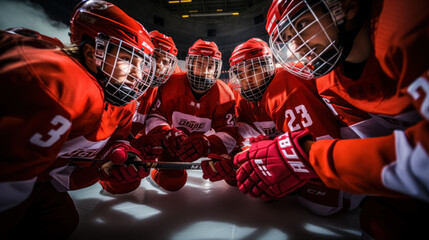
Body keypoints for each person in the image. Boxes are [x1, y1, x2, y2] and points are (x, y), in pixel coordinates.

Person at [234, 0, 429, 238]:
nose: (297, 44)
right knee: (380, 219)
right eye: (288, 36)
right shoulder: (326, 79)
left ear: (346, 5)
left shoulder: (407, 26)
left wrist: (308, 155)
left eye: (302, 24)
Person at [0, 1, 156, 238]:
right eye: (126, 59)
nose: (137, 73)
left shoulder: (122, 99)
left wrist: (121, 155)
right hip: (24, 177)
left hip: (40, 178)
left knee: (61, 221)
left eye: (140, 63)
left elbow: (118, 139)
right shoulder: (61, 81)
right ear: (93, 53)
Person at [230, 37, 363, 215]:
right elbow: (250, 143)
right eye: (240, 73)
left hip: (350, 167)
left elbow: (319, 149)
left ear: (270, 65)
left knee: (322, 205)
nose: (248, 78)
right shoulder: (242, 99)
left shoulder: (285, 84)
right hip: (348, 153)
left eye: (254, 68)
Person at [140, 39, 240, 191]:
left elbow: (229, 133)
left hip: (202, 144)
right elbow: (156, 116)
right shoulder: (170, 84)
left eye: (210, 66)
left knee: (234, 177)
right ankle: (153, 172)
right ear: (190, 64)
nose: (205, 71)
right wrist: (167, 134)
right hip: (173, 144)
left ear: (216, 69)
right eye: (200, 64)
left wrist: (206, 144)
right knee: (173, 183)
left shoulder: (224, 94)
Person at [100, 30, 180, 194]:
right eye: (155, 57)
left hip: (135, 143)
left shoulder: (167, 83)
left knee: (174, 180)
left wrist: (155, 141)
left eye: (165, 61)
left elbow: (156, 119)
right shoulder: (117, 76)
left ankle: (152, 171)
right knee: (124, 183)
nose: (159, 65)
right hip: (110, 145)